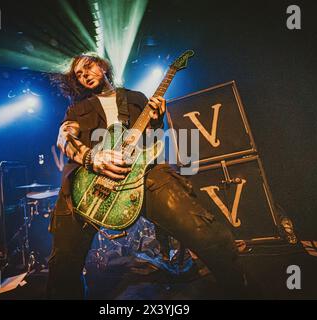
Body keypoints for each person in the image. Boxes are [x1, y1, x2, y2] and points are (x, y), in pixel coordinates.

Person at [47, 52, 247, 299]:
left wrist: (156, 119)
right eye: (78, 74)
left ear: (102, 65)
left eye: (88, 67)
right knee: (62, 265)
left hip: (143, 174)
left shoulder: (135, 98)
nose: (84, 74)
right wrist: (91, 157)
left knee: (204, 232)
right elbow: (64, 137)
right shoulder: (77, 109)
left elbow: (151, 140)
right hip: (89, 182)